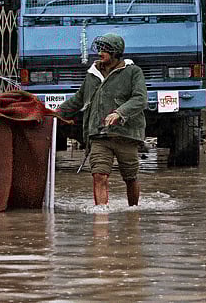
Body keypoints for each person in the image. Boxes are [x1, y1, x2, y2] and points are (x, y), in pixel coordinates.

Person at [58, 33, 147, 206]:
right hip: (99, 135)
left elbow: (140, 98)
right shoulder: (92, 74)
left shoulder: (133, 72)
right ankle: (101, 218)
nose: (100, 53)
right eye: (99, 49)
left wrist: (120, 113)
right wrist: (56, 113)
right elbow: (78, 99)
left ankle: (133, 212)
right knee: (99, 175)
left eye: (105, 50)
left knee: (130, 177)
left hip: (126, 134)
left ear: (115, 52)